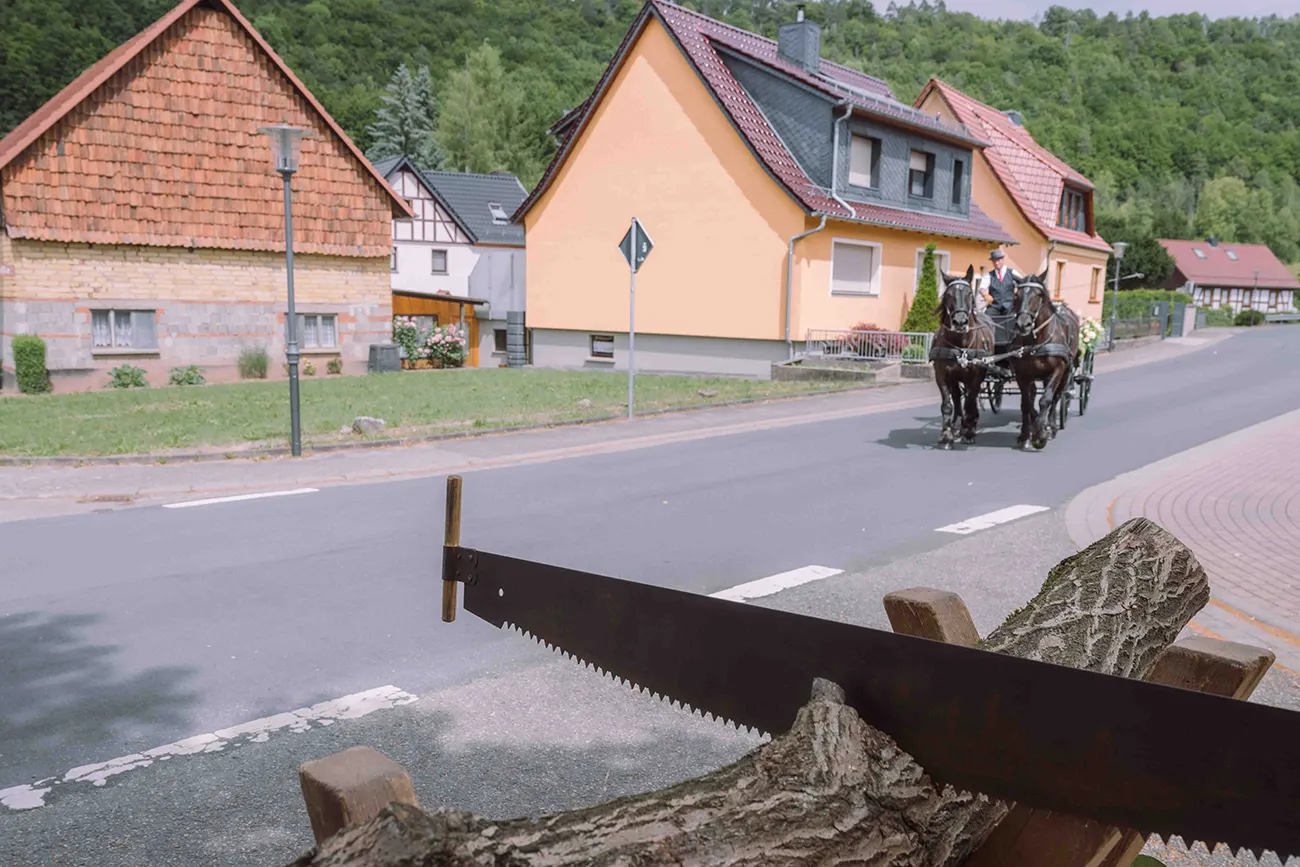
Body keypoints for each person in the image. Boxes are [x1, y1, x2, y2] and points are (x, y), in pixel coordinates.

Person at [981, 249, 1018, 316]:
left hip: (1009, 306)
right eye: (994, 261)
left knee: (1013, 317)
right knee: (986, 316)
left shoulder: (1012, 273)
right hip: (994, 306)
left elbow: (1022, 283)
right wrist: (985, 294)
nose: (996, 263)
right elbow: (982, 288)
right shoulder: (988, 275)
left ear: (1003, 260)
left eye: (998, 260)